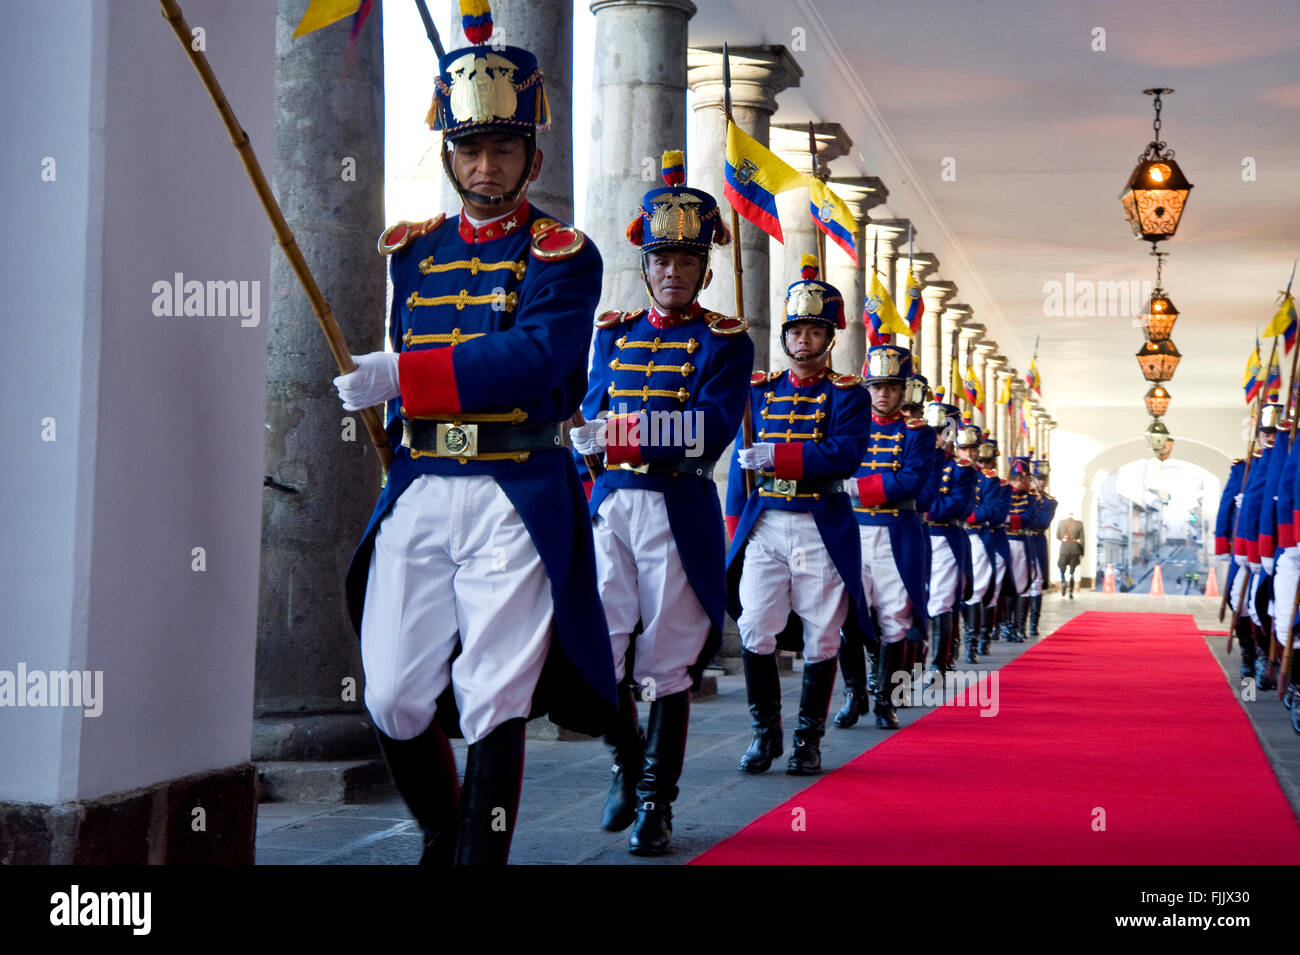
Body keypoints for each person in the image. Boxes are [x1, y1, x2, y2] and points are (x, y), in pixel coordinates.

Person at [332, 5, 616, 865]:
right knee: (392, 694)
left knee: (494, 692)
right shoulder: (412, 252)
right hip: (421, 485)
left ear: (532, 152)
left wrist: (400, 373)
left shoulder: (564, 254)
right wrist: (392, 404)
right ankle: (441, 828)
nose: (484, 166)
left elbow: (537, 359)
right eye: (468, 149)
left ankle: (472, 857)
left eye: (501, 148)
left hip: (513, 491)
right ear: (449, 153)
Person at [568, 152, 751, 854]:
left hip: (676, 505)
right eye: (659, 258)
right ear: (644, 264)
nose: (671, 271)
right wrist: (588, 441)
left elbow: (708, 428)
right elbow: (589, 410)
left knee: (666, 660)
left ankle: (656, 801)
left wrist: (615, 433)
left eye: (685, 259)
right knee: (600, 647)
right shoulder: (613, 333)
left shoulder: (723, 341)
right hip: (614, 502)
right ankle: (625, 754)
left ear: (704, 268)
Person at [725, 254, 871, 774]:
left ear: (829, 336)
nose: (802, 340)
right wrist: (733, 526)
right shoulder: (759, 391)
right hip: (764, 523)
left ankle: (808, 740)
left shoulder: (847, 395)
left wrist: (781, 456)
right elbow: (742, 469)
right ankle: (766, 734)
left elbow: (845, 454)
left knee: (821, 634)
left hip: (818, 522)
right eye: (795, 330)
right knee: (754, 626)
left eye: (813, 330)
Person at [843, 343, 934, 728]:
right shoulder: (848, 427)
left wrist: (856, 487)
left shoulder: (919, 434)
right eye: (877, 386)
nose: (883, 393)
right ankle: (854, 694)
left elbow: (911, 481)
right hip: (851, 532)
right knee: (847, 614)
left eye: (892, 387)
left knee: (895, 615)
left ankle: (886, 699)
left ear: (903, 391)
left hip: (897, 532)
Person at [919, 397, 977, 681]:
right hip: (918, 535)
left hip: (945, 536)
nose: (936, 437)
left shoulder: (961, 469)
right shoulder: (917, 460)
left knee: (941, 600)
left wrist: (922, 505)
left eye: (942, 431)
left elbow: (957, 506)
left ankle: (939, 663)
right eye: (932, 431)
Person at [962, 433, 1009, 659]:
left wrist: (966, 515)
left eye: (986, 461)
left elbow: (994, 512)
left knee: (981, 591)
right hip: (955, 534)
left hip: (980, 537)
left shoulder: (992, 482)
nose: (981, 464)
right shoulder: (954, 472)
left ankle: (977, 641)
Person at [1024, 455, 1056, 636]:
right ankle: (1013, 624)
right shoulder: (1023, 497)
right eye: (1037, 479)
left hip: (1036, 541)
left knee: (1036, 582)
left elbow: (1042, 522)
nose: (1041, 483)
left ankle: (1033, 623)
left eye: (1044, 480)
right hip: (1022, 539)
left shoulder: (1049, 501)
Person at [1055, 512, 1085, 598]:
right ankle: (1071, 592)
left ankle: (1063, 582)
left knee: (1061, 567)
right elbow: (1082, 539)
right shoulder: (1079, 524)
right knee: (1072, 571)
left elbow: (1057, 536)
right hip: (1075, 548)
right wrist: (1082, 552)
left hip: (1064, 548)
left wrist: (1063, 538)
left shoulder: (1061, 522)